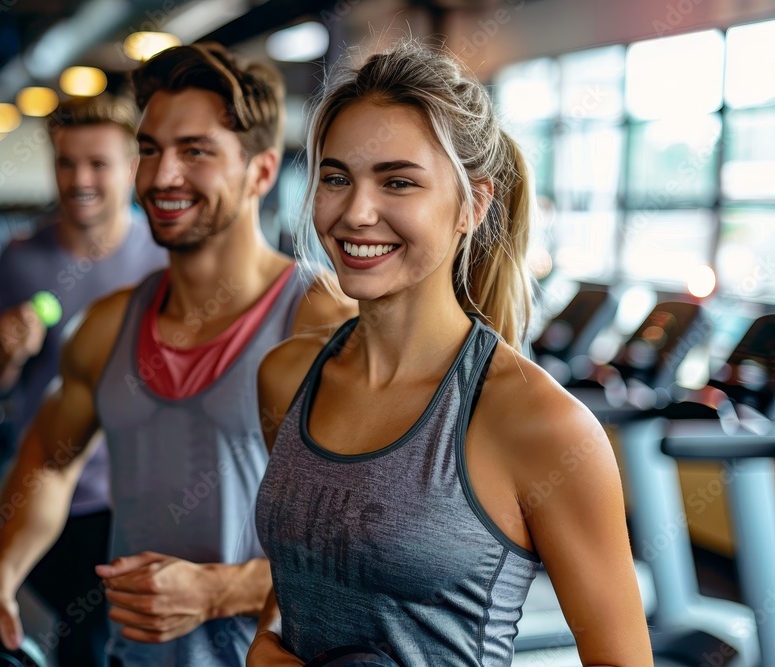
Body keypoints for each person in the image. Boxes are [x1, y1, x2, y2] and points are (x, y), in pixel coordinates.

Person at [249, 40, 654, 666]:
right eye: (336, 178)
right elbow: (303, 567)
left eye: (399, 181)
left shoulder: (540, 426)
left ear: (473, 204)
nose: (356, 212)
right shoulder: (287, 376)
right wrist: (268, 638)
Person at [0, 43, 355, 667]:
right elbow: (49, 459)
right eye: (149, 150)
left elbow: (375, 545)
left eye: (195, 151)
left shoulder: (323, 323)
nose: (161, 176)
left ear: (261, 172)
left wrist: (219, 589)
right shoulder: (108, 324)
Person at [0, 95, 167, 667]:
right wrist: (1, 347)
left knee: (102, 639)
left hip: (144, 497)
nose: (80, 179)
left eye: (97, 164)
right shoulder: (19, 258)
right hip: (51, 494)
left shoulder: (167, 258)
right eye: (66, 162)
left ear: (131, 168)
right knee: (89, 634)